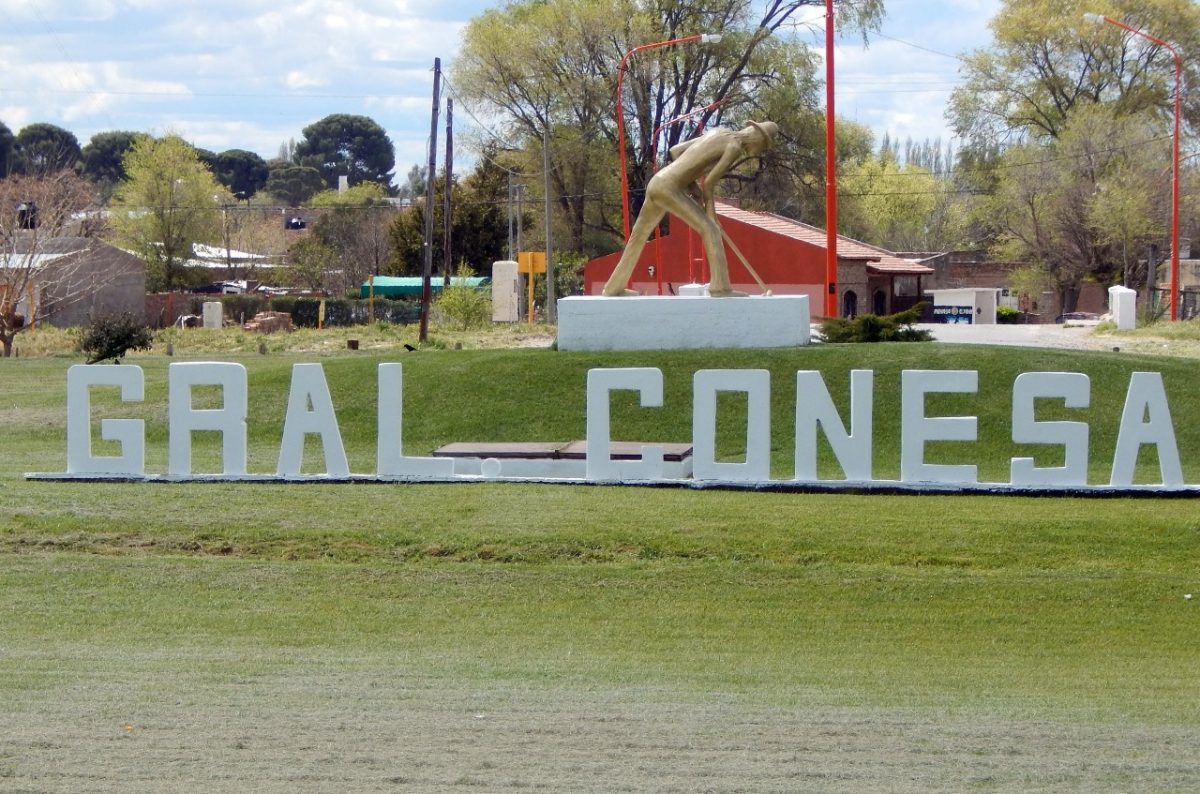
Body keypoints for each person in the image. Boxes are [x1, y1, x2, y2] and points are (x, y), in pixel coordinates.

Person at [602, 120, 778, 297]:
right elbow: (709, 183)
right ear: (757, 137)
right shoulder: (734, 147)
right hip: (669, 188)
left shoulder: (718, 132)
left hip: (658, 182)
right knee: (711, 231)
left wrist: (692, 186)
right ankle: (720, 288)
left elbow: (675, 151)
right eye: (763, 145)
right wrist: (711, 214)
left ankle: (612, 288)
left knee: (638, 237)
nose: (760, 151)